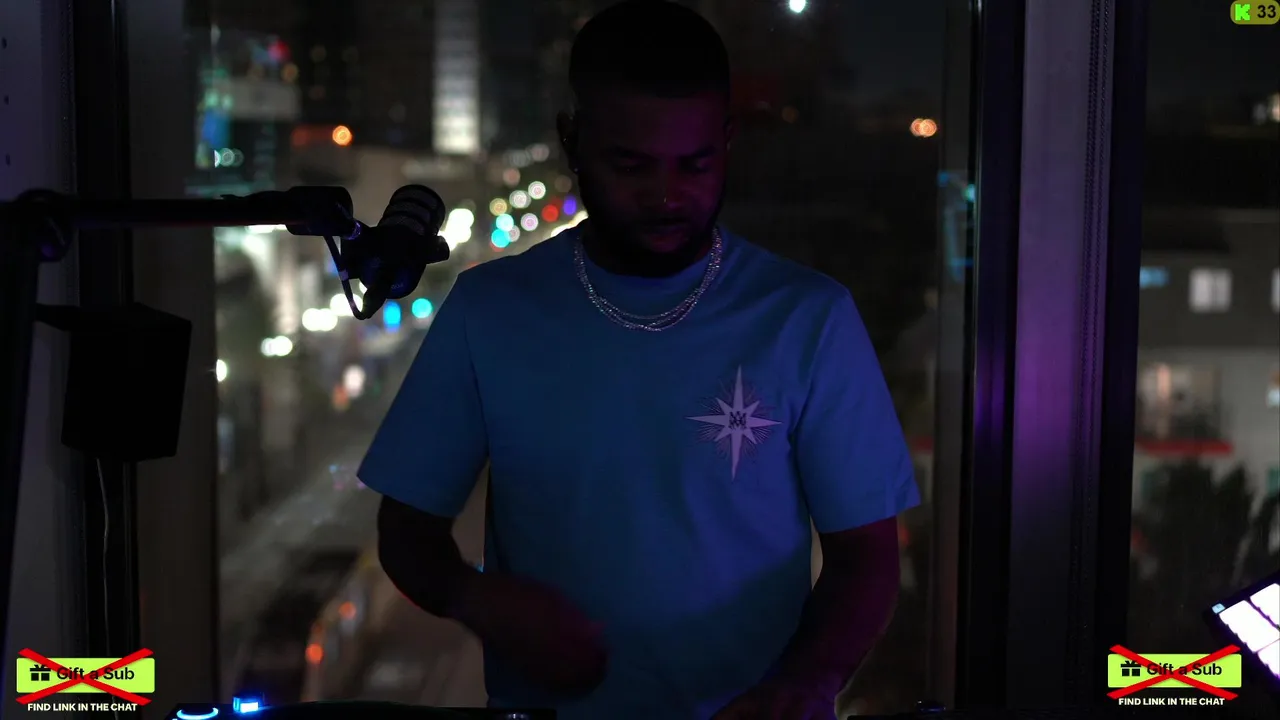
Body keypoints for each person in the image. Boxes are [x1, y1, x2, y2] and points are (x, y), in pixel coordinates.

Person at [359, 1, 919, 718]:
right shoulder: (489, 311)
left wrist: (804, 684)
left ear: (727, 142)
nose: (666, 195)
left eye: (695, 164)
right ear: (572, 141)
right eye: (631, 164)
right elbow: (406, 529)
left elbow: (867, 558)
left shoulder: (808, 318)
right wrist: (478, 598)